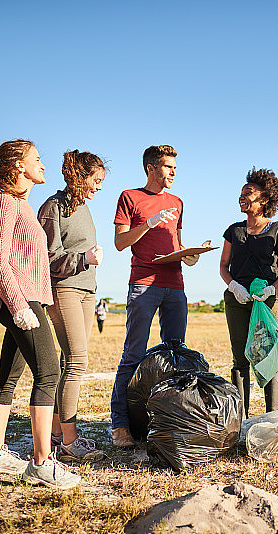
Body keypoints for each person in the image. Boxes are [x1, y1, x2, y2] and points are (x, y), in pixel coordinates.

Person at [0, 140, 80, 489]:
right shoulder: (5, 203)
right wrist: (19, 305)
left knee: (9, 373)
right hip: (20, 300)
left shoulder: (20, 204)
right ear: (19, 167)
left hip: (29, 299)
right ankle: (42, 462)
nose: (43, 164)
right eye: (36, 159)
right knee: (50, 372)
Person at [110, 145, 200, 447]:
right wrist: (147, 224)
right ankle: (120, 426)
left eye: (175, 167)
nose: (173, 172)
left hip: (175, 284)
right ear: (151, 168)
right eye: (167, 167)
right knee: (133, 355)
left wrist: (189, 255)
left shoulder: (178, 201)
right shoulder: (129, 197)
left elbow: (177, 241)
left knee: (176, 353)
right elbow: (120, 243)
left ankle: (167, 423)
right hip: (143, 283)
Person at [38, 149, 106, 461]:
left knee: (70, 363)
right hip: (64, 289)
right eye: (97, 180)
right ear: (80, 177)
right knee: (78, 361)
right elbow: (48, 257)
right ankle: (70, 441)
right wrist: (85, 258)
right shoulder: (54, 206)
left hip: (86, 292)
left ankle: (55, 435)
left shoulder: (85, 210)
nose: (100, 187)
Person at [220, 168, 278, 418]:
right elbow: (223, 266)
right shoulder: (234, 230)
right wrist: (234, 286)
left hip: (267, 299)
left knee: (268, 356)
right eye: (241, 193)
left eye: (248, 193)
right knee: (240, 358)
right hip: (237, 299)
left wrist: (273, 287)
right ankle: (240, 419)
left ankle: (271, 416)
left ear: (264, 199)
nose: (242, 197)